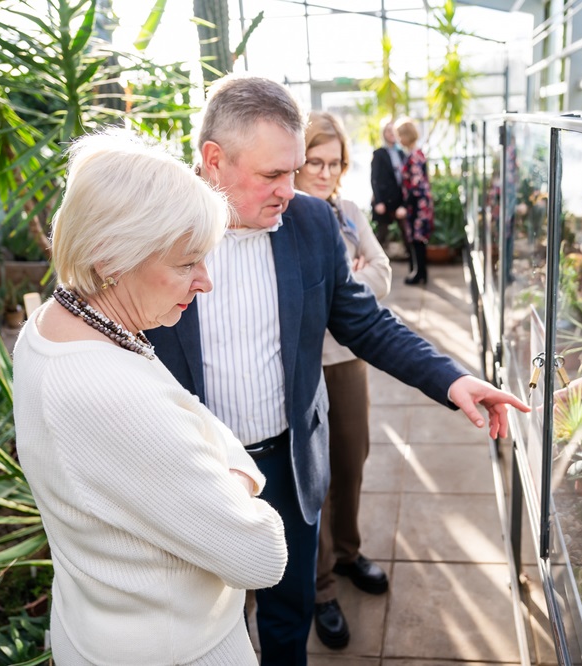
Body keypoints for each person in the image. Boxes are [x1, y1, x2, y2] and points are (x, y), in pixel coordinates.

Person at [147, 73, 529, 666]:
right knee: (202, 621)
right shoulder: (153, 233)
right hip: (193, 469)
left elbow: (366, 324)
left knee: (287, 611)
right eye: (273, 174)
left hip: (286, 458)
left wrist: (451, 379)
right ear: (213, 161)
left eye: (293, 169)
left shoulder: (311, 223)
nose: (290, 188)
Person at [13, 130, 287, 665]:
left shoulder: (53, 327)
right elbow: (261, 557)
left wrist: (216, 462)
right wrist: (235, 475)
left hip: (99, 631)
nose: (205, 282)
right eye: (187, 264)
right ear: (111, 257)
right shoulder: (112, 395)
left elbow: (188, 417)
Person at [293, 110, 392, 650]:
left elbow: (383, 272)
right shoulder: (284, 219)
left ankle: (348, 554)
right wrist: (347, 282)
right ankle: (322, 587)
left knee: (352, 461)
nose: (327, 172)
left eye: (335, 163)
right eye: (316, 161)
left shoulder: (350, 213)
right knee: (315, 476)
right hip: (303, 364)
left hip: (347, 360)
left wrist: (346, 283)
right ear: (296, 162)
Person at [395, 117, 434, 286]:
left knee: (418, 239)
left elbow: (416, 184)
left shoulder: (415, 156)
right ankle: (420, 272)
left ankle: (420, 273)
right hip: (417, 204)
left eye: (400, 135)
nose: (398, 139)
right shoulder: (414, 154)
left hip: (418, 205)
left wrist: (405, 205)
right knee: (417, 240)